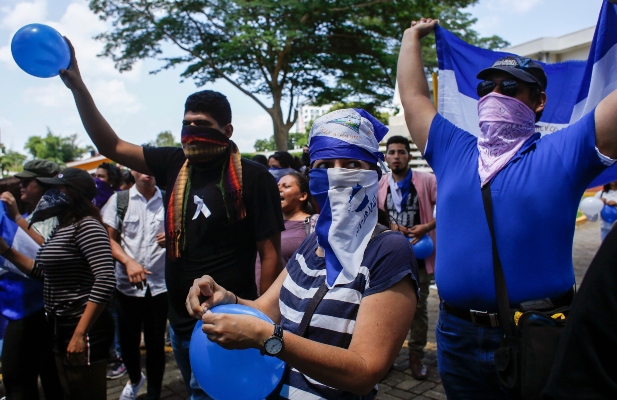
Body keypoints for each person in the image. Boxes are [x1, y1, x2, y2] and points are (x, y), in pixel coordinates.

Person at [397, 18, 617, 399]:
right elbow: (414, 96)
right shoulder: (454, 150)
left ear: (539, 101)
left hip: (538, 331)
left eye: (511, 87)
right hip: (456, 334)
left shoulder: (564, 152)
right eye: (487, 86)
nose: (494, 94)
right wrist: (410, 37)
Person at [59, 40, 284, 399]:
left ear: (226, 132)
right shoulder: (173, 163)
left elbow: (270, 253)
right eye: (187, 124)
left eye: (203, 125)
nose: (192, 131)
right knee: (197, 391)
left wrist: (260, 316)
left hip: (231, 313)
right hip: (179, 318)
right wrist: (79, 88)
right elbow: (111, 146)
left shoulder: (254, 178)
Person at [186, 109, 419, 399]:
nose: (337, 174)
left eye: (351, 164)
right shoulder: (312, 243)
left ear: (374, 174)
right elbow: (266, 310)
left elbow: (365, 370)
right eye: (324, 164)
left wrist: (267, 338)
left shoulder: (388, 252)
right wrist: (226, 298)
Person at [0, 168, 116, 400]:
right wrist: (7, 251)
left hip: (83, 327)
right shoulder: (62, 228)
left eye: (56, 188)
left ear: (73, 193)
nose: (50, 193)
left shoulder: (88, 226)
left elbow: (105, 280)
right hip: (59, 325)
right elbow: (43, 273)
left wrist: (79, 334)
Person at [0, 159, 63, 400]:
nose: (21, 187)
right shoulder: (32, 216)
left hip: (41, 309)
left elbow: (46, 258)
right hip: (39, 309)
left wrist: (9, 245)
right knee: (49, 374)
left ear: (44, 184)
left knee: (20, 378)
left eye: (27, 182)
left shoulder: (54, 217)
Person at [101, 170, 167, 400]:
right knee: (128, 345)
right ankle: (136, 378)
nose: (147, 173)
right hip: (127, 286)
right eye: (140, 168)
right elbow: (109, 239)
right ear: (132, 171)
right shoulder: (120, 200)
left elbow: (185, 234)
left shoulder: (169, 200)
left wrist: (173, 237)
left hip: (160, 285)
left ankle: (154, 393)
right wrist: (128, 262)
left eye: (151, 168)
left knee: (156, 344)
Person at [378, 135, 436, 380]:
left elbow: (448, 207)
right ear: (386, 157)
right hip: (389, 258)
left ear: (409, 156)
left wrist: (426, 226)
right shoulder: (380, 183)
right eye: (392, 152)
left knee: (418, 308)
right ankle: (386, 357)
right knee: (385, 308)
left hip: (419, 255)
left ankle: (416, 355)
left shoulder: (426, 180)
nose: (396, 157)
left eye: (401, 152)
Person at [256, 171, 319, 293]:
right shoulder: (267, 223)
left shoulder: (314, 224)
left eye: (286, 186)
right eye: (277, 186)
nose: (279, 189)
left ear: (303, 196)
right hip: (256, 300)